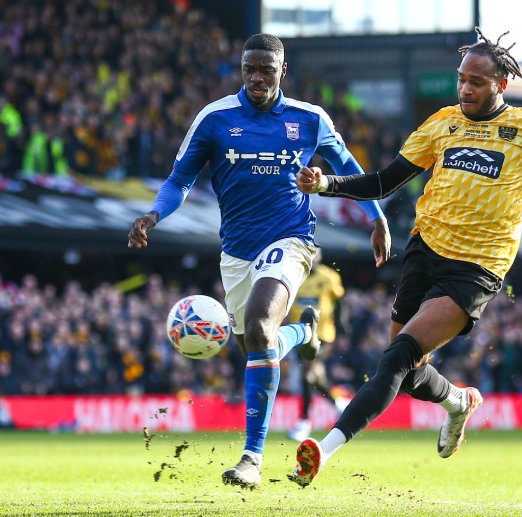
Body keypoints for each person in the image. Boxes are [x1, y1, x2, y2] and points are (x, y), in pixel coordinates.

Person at [289, 28, 522, 487]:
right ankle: (458, 403)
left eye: (477, 82)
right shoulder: (442, 122)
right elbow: (386, 181)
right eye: (462, 78)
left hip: (477, 268)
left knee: (397, 357)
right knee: (407, 374)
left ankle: (322, 452)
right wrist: (326, 183)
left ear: (501, 85)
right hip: (424, 250)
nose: (465, 88)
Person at [127, 33, 391, 490]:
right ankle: (303, 332)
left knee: (259, 322)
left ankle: (251, 458)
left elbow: (349, 165)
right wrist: (154, 213)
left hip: (292, 240)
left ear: (282, 71)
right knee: (256, 345)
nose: (256, 77)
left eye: (265, 69)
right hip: (236, 252)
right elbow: (179, 180)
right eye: (249, 68)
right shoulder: (214, 118)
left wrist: (378, 217)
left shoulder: (309, 119)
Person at [286, 248, 350, 442]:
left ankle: (304, 423)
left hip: (323, 334)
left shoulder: (329, 277)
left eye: (315, 254)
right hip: (299, 333)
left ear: (320, 257)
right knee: (315, 376)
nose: (312, 258)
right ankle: (338, 405)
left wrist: (344, 330)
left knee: (307, 373)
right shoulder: (295, 277)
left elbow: (340, 305)